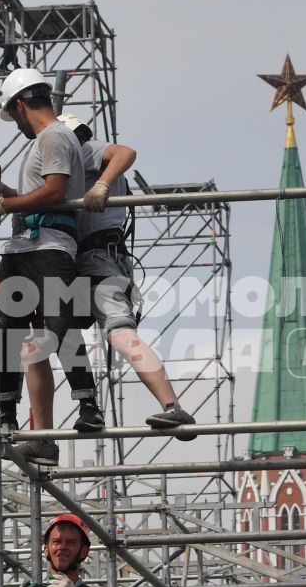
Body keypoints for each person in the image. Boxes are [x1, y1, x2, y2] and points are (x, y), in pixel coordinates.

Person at [33, 109, 194, 436]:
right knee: (51, 330)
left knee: (118, 334)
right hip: (88, 260)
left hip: (97, 259)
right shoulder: (76, 160)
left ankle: (171, 407)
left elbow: (125, 151)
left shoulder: (83, 150)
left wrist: (102, 184)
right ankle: (82, 409)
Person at [0, 68, 101, 465]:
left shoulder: (55, 136)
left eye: (14, 117)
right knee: (10, 334)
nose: (17, 126)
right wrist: (3, 189)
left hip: (50, 246)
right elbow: (37, 194)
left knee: (59, 326)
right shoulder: (48, 141)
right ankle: (8, 413)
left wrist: (4, 204)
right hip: (24, 246)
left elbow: (53, 192)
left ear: (21, 104)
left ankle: (87, 406)